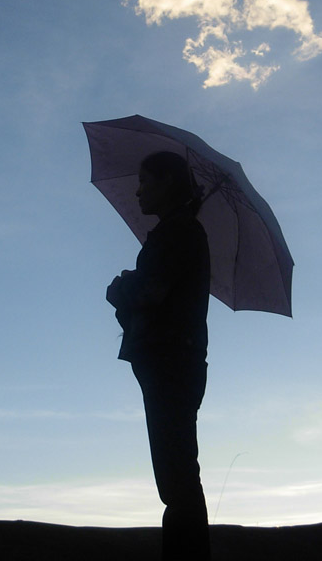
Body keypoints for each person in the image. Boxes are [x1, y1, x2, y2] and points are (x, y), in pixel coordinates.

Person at [105, 151, 211, 561]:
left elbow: (154, 294)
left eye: (146, 180)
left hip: (171, 361)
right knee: (177, 471)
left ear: (167, 182)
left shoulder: (178, 233)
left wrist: (120, 289)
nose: (138, 189)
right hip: (175, 360)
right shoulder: (179, 232)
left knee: (177, 475)